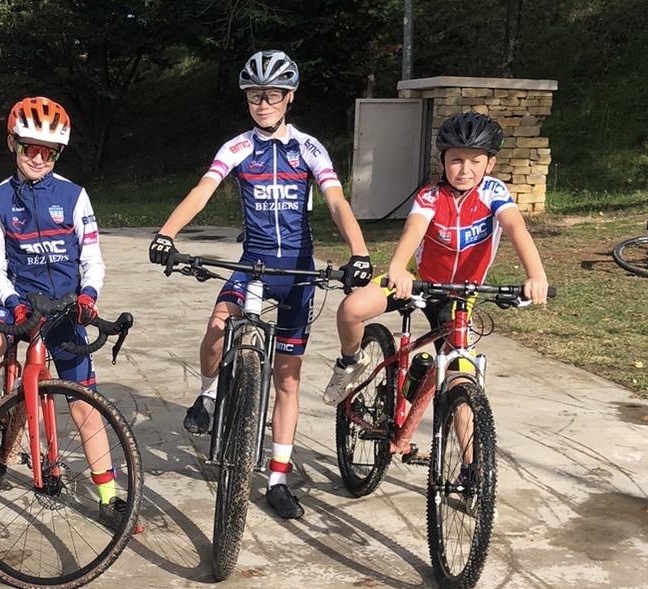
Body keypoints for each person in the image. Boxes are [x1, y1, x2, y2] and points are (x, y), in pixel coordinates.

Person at [148, 49, 372, 520]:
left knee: (288, 378)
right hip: (253, 266)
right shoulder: (238, 147)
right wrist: (167, 233)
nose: (262, 104)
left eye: (271, 95)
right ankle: (210, 393)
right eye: (254, 96)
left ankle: (277, 478)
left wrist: (359, 251)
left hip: (298, 272)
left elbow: (335, 200)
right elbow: (203, 190)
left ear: (289, 97)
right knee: (216, 328)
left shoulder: (309, 148)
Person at [0, 96, 126, 529]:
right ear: (12, 145)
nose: (37, 158)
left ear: (56, 154)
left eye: (47, 151)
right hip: (17, 304)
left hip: (65, 308)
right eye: (28, 148)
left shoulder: (74, 195)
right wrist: (14, 302)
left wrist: (89, 295)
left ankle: (109, 495)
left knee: (84, 406)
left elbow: (93, 257)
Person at [323, 111, 549, 405]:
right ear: (443, 160)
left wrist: (536, 275)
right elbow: (414, 229)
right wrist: (398, 268)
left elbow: (515, 228)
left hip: (460, 295)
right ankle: (350, 362)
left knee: (462, 381)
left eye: (475, 160)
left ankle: (472, 453)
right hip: (420, 281)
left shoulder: (494, 193)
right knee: (351, 309)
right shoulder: (431, 196)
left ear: (490, 163)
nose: (464, 169)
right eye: (456, 159)